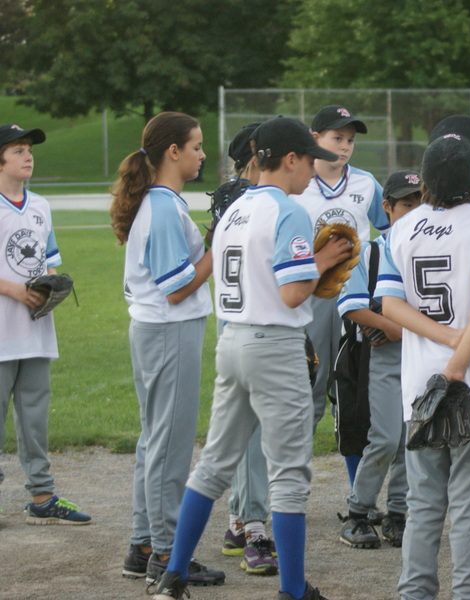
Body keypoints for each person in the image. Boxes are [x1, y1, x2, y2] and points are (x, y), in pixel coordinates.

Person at [151, 116, 352, 600]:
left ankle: (173, 575)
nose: (314, 170)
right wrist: (323, 262)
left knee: (213, 464)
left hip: (233, 343)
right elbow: (292, 293)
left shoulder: (236, 207)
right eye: (310, 160)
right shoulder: (288, 210)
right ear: (290, 160)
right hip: (274, 346)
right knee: (289, 474)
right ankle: (293, 591)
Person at [376, 125, 470, 600]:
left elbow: (391, 306)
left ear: (425, 180)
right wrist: (459, 356)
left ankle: (414, 592)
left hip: (420, 384)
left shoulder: (401, 228)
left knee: (423, 503)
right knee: (469, 505)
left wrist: (445, 340)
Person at [109, 112, 222, 585]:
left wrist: (209, 240)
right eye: (195, 146)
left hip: (159, 330)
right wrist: (219, 245)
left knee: (155, 438)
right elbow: (176, 289)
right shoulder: (161, 206)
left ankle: (143, 545)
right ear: (173, 152)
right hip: (169, 329)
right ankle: (165, 553)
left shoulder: (162, 202)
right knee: (170, 444)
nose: (202, 154)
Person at [290, 105, 390, 487]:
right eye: (337, 138)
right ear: (315, 138)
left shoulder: (365, 183)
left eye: (350, 140)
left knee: (352, 391)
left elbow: (391, 229)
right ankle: (291, 487)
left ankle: (357, 491)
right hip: (310, 296)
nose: (345, 146)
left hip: (356, 298)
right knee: (308, 388)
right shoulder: (298, 185)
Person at [0, 123, 91, 525]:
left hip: (35, 328)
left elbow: (49, 261)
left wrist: (51, 286)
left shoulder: (40, 206)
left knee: (35, 418)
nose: (28, 156)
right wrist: (16, 291)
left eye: (30, 150)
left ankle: (42, 495)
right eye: (18, 150)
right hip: (3, 329)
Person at [205, 122, 281, 576]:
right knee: (251, 430)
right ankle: (253, 525)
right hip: (252, 323)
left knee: (243, 428)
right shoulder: (256, 201)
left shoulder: (236, 200)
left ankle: (239, 519)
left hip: (239, 323)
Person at [335, 170, 422, 549]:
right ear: (387, 207)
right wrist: (394, 325)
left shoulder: (429, 248)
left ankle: (398, 513)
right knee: (385, 438)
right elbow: (352, 307)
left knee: (411, 439)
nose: (414, 211)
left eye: (421, 203)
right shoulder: (368, 252)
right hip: (382, 358)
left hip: (420, 357)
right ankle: (358, 512)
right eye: (406, 204)